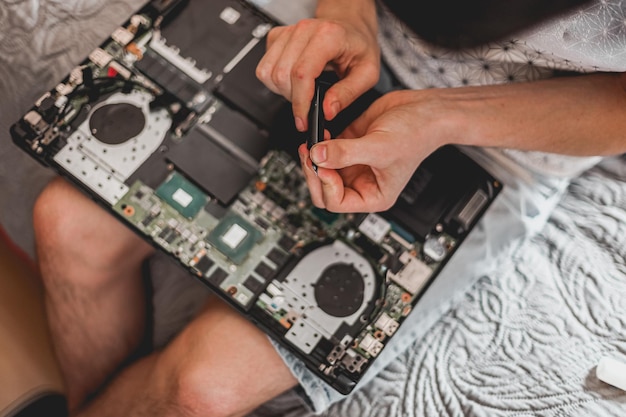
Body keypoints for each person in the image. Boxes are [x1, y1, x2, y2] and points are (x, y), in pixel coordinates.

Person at [32, 0, 626, 416]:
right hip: (341, 36)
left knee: (200, 390)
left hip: (507, 136)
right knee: (64, 221)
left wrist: (443, 116)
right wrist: (346, 16)